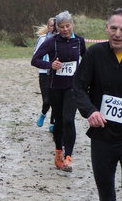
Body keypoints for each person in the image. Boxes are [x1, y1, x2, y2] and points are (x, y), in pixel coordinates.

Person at [74, 8, 122, 201]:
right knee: (106, 193)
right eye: (114, 28)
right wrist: (91, 111)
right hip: (103, 137)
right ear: (106, 29)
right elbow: (78, 87)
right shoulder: (95, 54)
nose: (117, 34)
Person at [32, 11, 86, 172]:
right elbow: (35, 60)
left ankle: (69, 157)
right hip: (55, 87)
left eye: (67, 26)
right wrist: (50, 65)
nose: (65, 29)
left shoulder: (79, 41)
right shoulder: (51, 42)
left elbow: (87, 59)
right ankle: (58, 152)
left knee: (69, 120)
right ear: (56, 27)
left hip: (72, 87)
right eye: (61, 27)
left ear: (72, 25)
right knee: (60, 121)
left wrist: (85, 78)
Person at [34, 17, 56, 131]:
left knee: (55, 100)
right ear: (48, 27)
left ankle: (53, 122)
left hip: (57, 73)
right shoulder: (42, 39)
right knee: (47, 100)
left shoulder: (61, 39)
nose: (53, 28)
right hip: (44, 73)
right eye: (51, 26)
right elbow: (35, 57)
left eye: (55, 26)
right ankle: (43, 113)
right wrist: (47, 64)